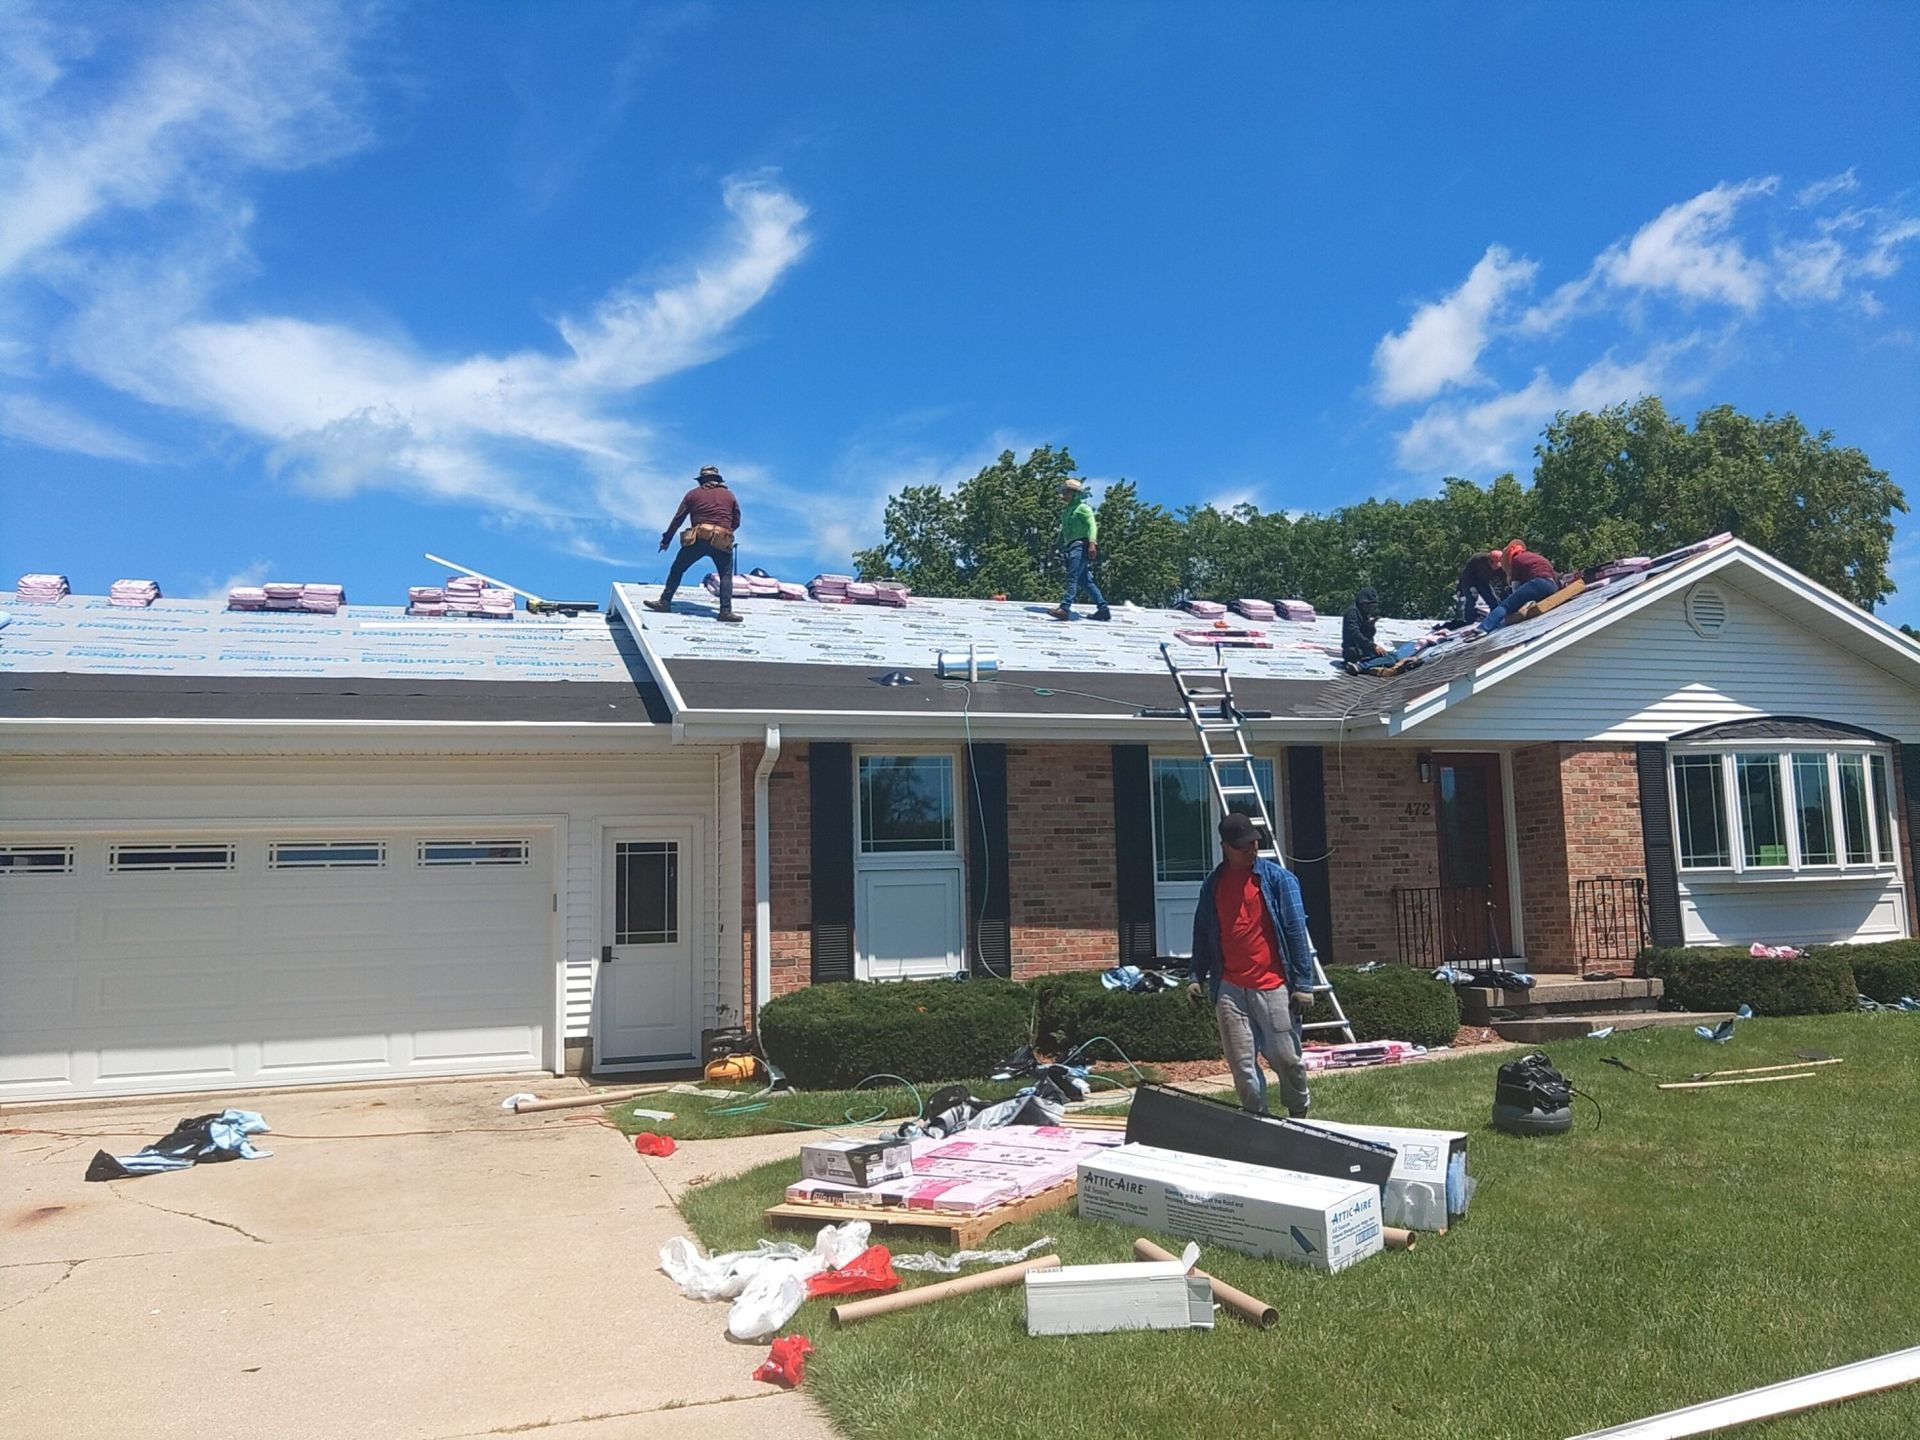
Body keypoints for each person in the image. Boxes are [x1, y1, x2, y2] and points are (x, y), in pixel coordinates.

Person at [1187, 812, 1315, 1118]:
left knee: (1286, 1058)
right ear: (1225, 847)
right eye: (1243, 845)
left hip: (1272, 985)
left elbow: (1297, 931)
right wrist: (1196, 975)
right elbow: (1203, 931)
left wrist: (1303, 985)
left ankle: (1299, 1112)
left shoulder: (1278, 880)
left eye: (1254, 843)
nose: (1251, 850)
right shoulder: (1213, 885)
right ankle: (1258, 1120)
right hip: (1230, 987)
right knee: (1242, 1064)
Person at [643, 466, 742, 623]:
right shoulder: (729, 495)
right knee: (725, 575)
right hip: (722, 539)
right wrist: (724, 531)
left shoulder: (693, 494)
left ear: (701, 480)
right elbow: (736, 521)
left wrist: (666, 539)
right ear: (718, 480)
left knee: (678, 568)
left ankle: (665, 602)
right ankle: (725, 612)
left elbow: (678, 519)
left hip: (699, 538)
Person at [1046, 478, 1111, 622]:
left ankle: (1065, 608)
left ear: (1074, 493)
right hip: (1070, 547)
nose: (1064, 495)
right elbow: (1063, 532)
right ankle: (1103, 609)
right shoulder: (1066, 512)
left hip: (1080, 546)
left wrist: (1093, 542)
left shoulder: (1083, 508)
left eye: (1066, 492)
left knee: (1072, 576)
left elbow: (1092, 525)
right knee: (1085, 581)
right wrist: (1055, 546)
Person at [1469, 540, 1560, 637]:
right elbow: (1556, 577)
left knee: (1505, 606)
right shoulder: (1536, 557)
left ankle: (1483, 628)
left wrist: (1514, 606)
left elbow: (1515, 588)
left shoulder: (1516, 560)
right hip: (1552, 586)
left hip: (1538, 583)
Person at [1341, 585, 1395, 673]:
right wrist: (1372, 646)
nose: (1370, 609)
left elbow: (1367, 635)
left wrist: (1370, 627)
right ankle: (1360, 666)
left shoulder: (1364, 613)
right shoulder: (1352, 612)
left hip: (1364, 648)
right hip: (1354, 651)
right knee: (1390, 659)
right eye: (1369, 606)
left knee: (1394, 656)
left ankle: (1368, 663)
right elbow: (1354, 633)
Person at [1453, 549, 1506, 627]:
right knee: (1472, 597)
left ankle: (1495, 619)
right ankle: (1469, 621)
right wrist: (1461, 589)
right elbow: (1465, 576)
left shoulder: (1500, 568)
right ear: (1489, 561)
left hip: (1483, 582)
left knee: (1493, 600)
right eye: (1494, 564)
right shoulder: (1477, 559)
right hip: (1469, 581)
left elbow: (1503, 583)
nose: (1496, 568)